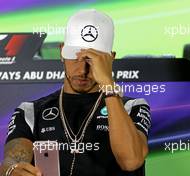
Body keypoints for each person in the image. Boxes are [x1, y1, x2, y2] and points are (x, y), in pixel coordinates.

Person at [0, 9, 151, 176]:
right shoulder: (31, 111)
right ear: (62, 52)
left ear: (110, 58)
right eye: (75, 57)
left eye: (92, 60)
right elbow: (12, 160)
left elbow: (131, 161)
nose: (82, 70)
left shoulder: (132, 107)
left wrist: (108, 84)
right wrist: (11, 170)